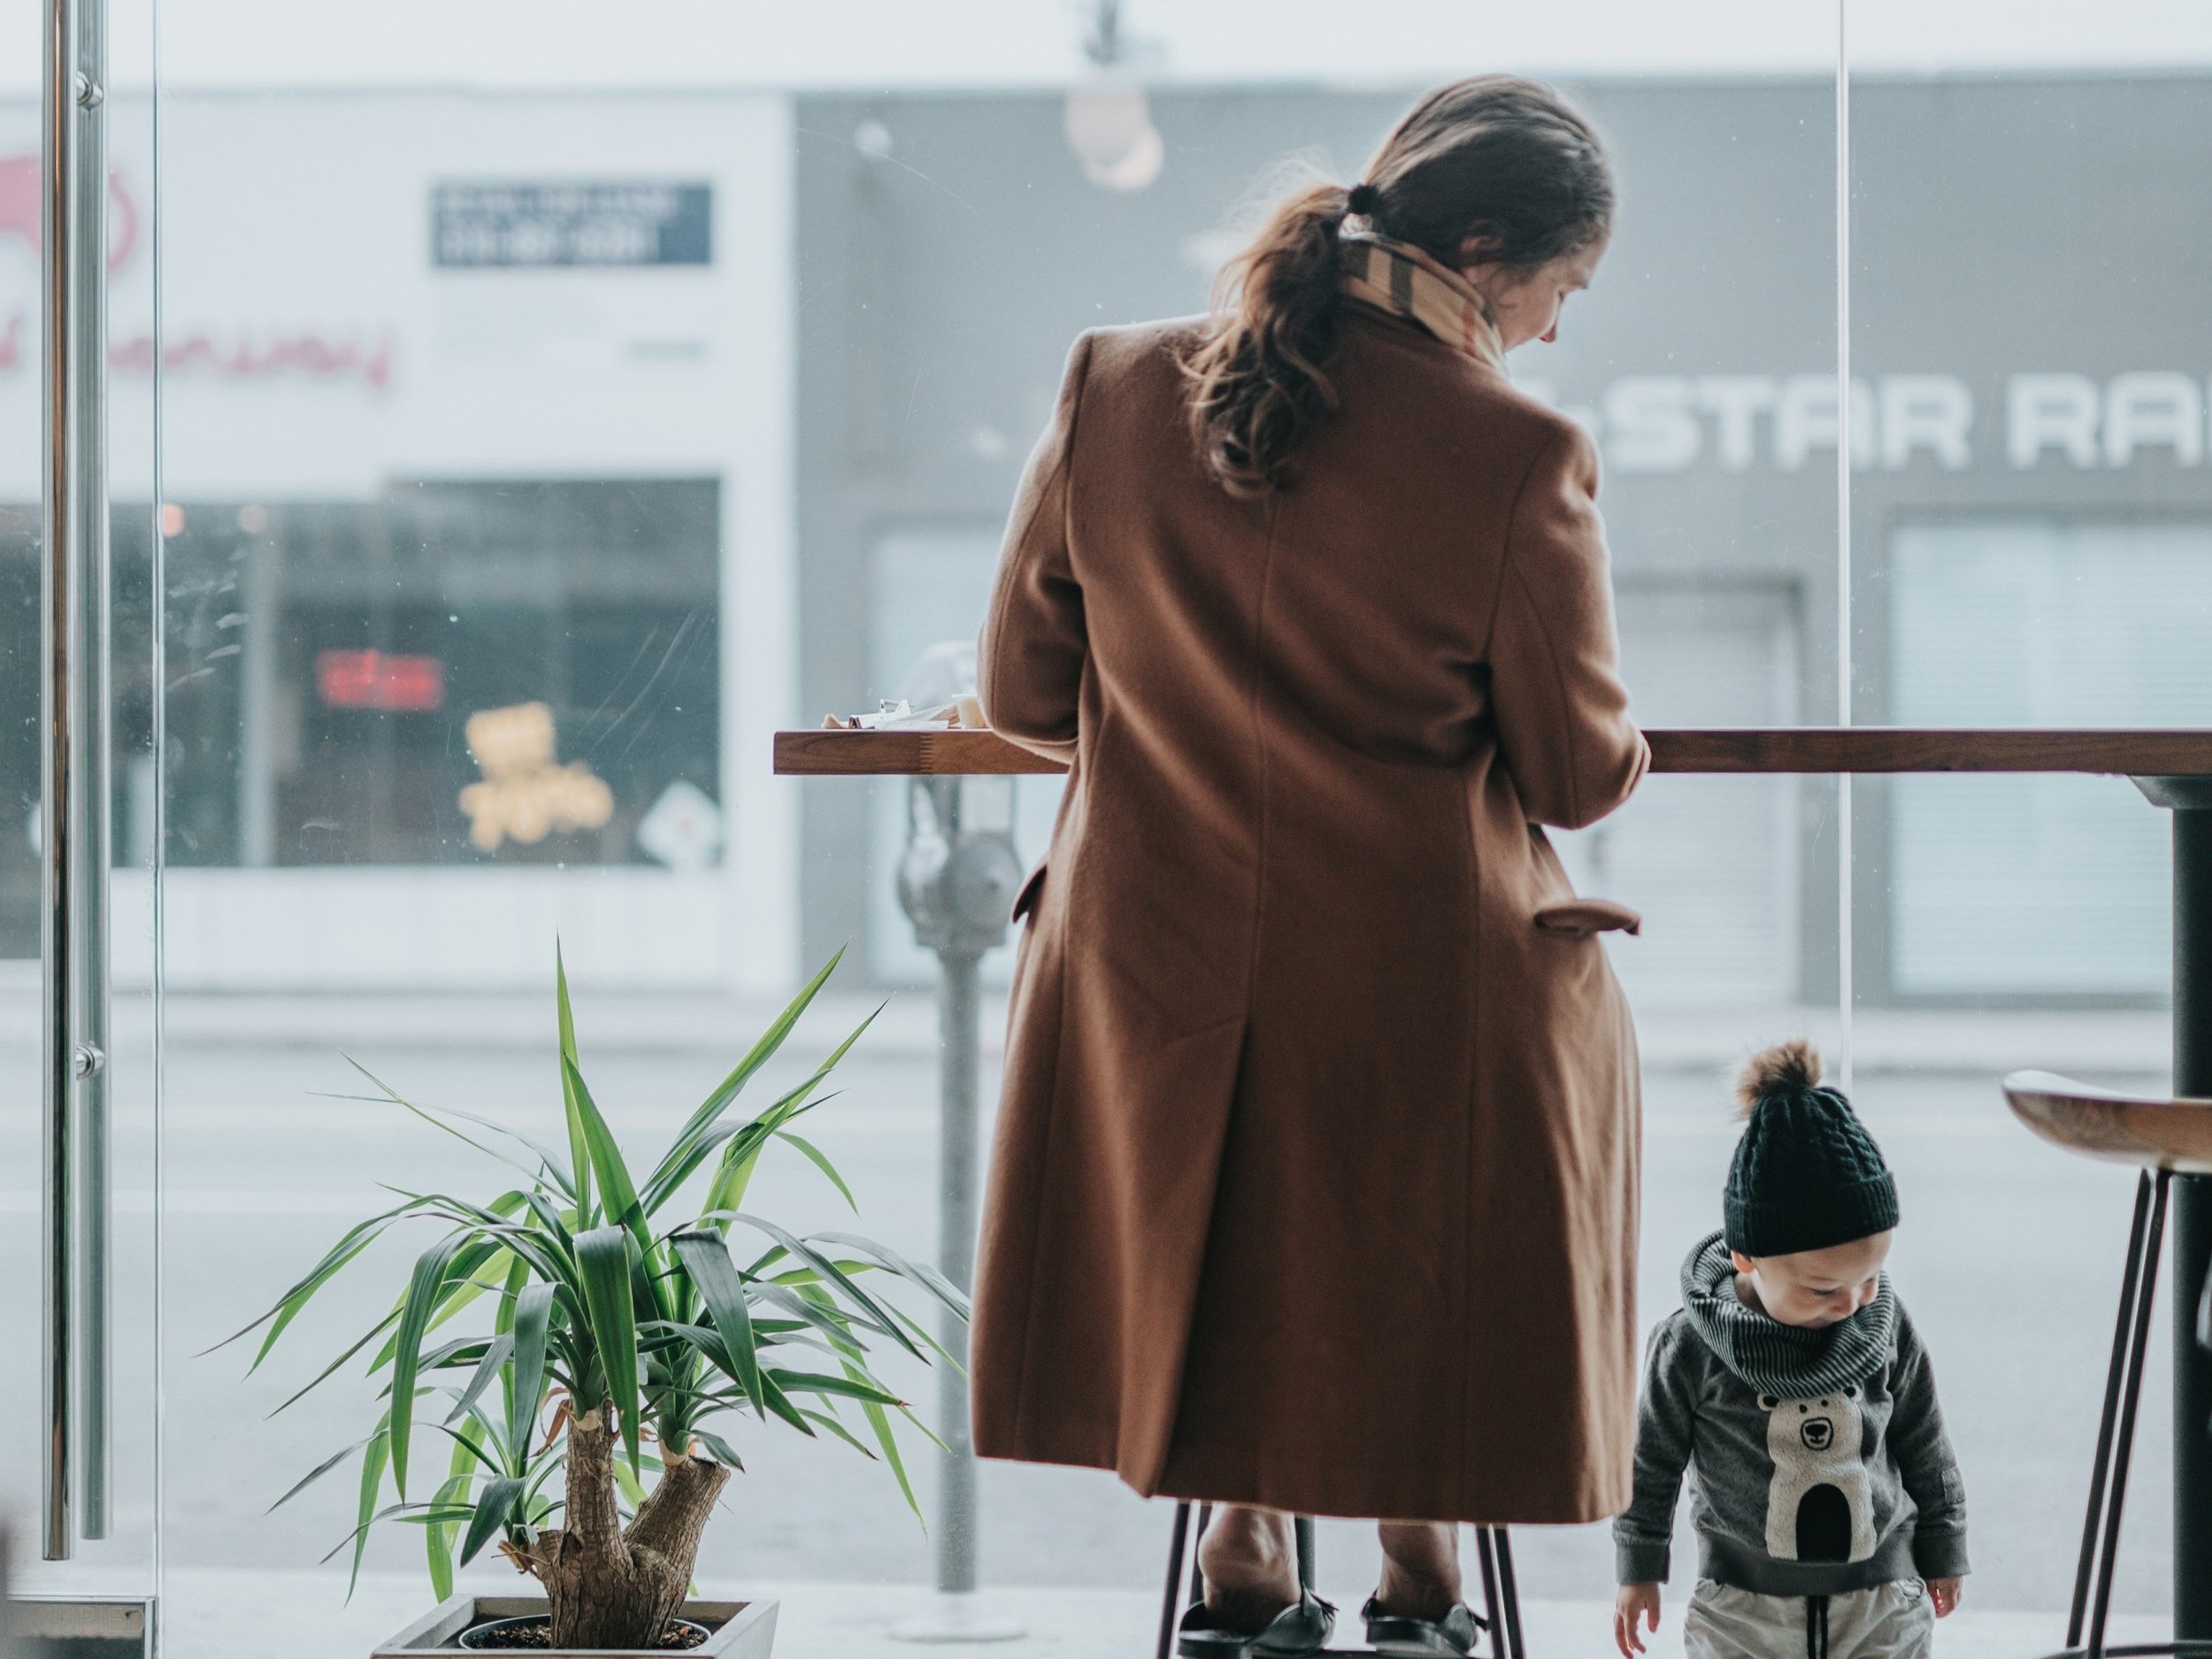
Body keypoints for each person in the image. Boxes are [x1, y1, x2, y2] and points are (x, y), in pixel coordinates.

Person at [972, 75, 1647, 1657]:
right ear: (1486, 253)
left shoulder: (1112, 383)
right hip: (1416, 981)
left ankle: (1246, 1549)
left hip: (1149, 976)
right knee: (1453, 1124)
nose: (1554, 330)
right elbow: (1574, 771)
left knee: (1254, 1156)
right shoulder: (1518, 451)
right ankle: (1423, 1564)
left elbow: (1019, 698)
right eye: (1564, 288)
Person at [1612, 1041, 1969, 1659]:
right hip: (1742, 1610)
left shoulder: (1885, 1323)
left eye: (1871, 1276)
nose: (1855, 1301)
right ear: (1746, 1256)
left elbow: (1924, 1437)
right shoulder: (1692, 1345)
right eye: (1823, 1287)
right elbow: (1651, 1464)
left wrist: (1944, 1543)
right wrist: (1638, 1566)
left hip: (1880, 1599)